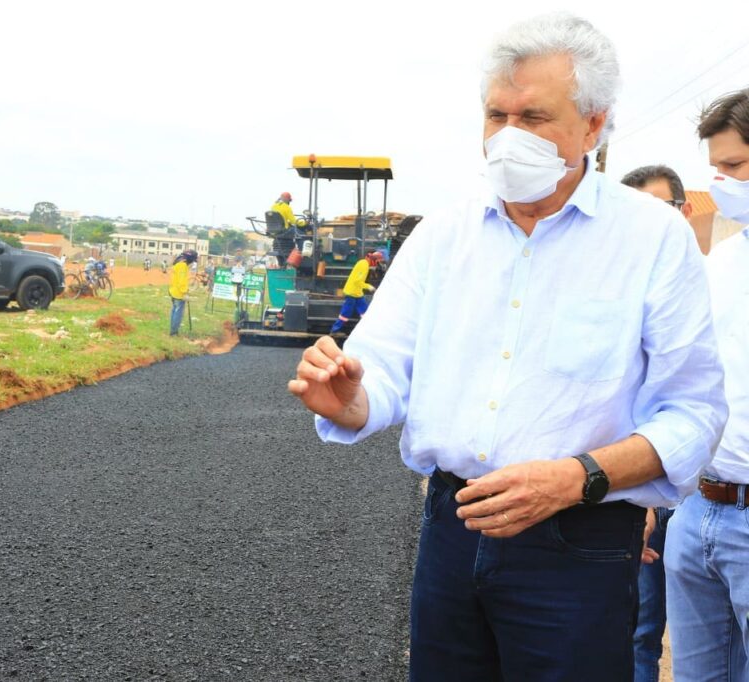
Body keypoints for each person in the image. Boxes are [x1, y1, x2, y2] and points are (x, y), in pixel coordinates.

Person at [288, 13, 727, 680]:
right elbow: (382, 374)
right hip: (453, 530)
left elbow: (693, 414)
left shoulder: (651, 240)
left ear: (593, 126)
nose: (508, 136)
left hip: (579, 544)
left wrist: (575, 477)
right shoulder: (444, 236)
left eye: (534, 117)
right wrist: (350, 399)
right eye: (497, 115)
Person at [666, 87, 749, 682]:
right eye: (716, 169)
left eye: (735, 166)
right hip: (698, 511)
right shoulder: (720, 262)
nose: (722, 183)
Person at [619, 164, 691, 682]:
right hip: (634, 494)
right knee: (636, 631)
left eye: (660, 210)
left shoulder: (715, 286)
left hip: (702, 496)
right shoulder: (614, 301)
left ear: (683, 213)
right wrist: (641, 497)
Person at [330, 251, 384, 334]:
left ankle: (368, 332)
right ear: (373, 260)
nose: (376, 265)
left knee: (365, 313)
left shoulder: (364, 263)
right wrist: (369, 287)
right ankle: (334, 331)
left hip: (357, 293)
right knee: (346, 313)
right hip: (352, 293)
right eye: (377, 262)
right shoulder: (364, 265)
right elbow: (357, 281)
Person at [168, 249, 196, 336]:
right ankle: (174, 332)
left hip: (173, 291)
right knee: (178, 313)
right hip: (179, 294)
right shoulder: (182, 266)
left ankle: (173, 330)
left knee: (174, 311)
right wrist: (184, 292)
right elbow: (181, 281)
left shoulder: (178, 264)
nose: (192, 263)